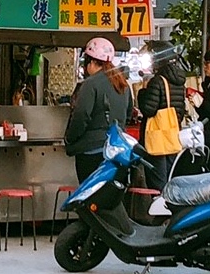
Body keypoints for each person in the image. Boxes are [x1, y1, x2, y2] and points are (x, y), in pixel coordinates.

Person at [63, 37, 133, 182]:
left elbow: (81, 115)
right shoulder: (122, 83)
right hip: (116, 150)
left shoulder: (90, 83)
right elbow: (128, 114)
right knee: (107, 196)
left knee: (89, 196)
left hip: (92, 151)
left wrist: (70, 139)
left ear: (92, 62)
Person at [137, 43, 188, 184]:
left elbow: (148, 109)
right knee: (168, 177)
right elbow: (180, 109)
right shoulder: (179, 81)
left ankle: (157, 204)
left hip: (156, 139)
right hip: (172, 136)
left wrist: (142, 93)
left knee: (157, 180)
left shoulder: (157, 81)